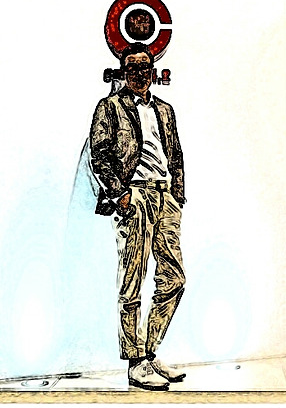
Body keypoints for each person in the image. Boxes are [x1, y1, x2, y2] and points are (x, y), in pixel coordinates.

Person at [88, 43, 187, 391]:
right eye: (132, 68)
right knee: (132, 281)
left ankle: (149, 351)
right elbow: (99, 155)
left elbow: (175, 154)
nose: (139, 74)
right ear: (123, 71)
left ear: (153, 71)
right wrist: (121, 194)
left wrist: (177, 194)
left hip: (165, 196)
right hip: (135, 196)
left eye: (145, 68)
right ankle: (134, 363)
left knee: (174, 278)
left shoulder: (165, 109)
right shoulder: (110, 107)